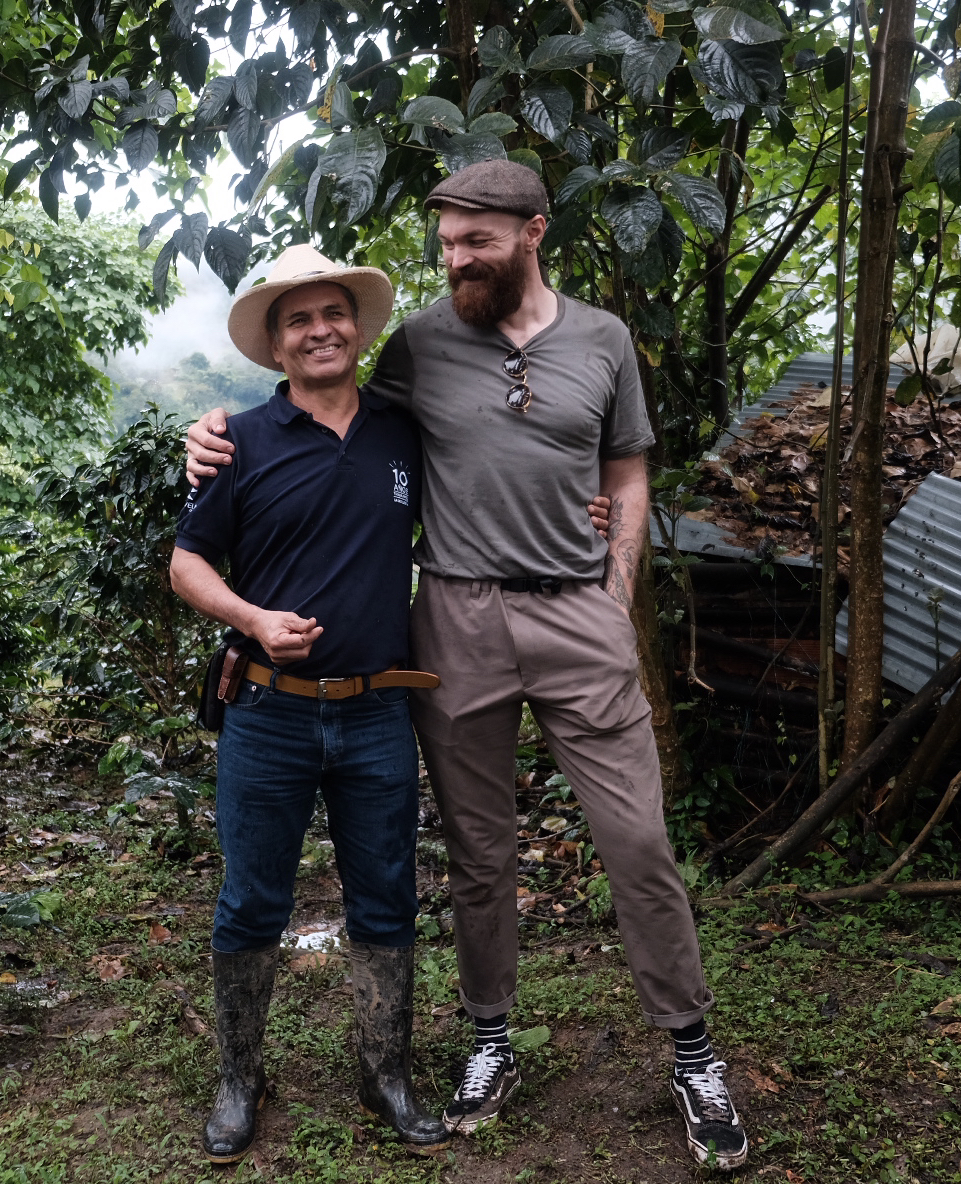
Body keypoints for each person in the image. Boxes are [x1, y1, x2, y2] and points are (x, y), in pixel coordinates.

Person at [187, 161, 750, 1169]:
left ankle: (694, 1050)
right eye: (445, 242)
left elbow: (625, 468)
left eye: (474, 241)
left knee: (638, 842)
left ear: (533, 231)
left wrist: (616, 590)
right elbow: (316, 406)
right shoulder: (422, 346)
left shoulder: (604, 340)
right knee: (481, 853)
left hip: (580, 612)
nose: (455, 259)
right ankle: (490, 1040)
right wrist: (210, 430)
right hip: (454, 615)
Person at [169, 243, 450, 1163]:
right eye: (299, 320)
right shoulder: (238, 442)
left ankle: (386, 1073)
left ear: (357, 329)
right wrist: (251, 617)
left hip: (377, 713)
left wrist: (591, 513)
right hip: (269, 711)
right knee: (252, 901)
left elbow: (491, 495)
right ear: (278, 345)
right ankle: (240, 1077)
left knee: (386, 896)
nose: (319, 330)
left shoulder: (404, 433)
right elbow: (186, 563)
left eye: (333, 314)